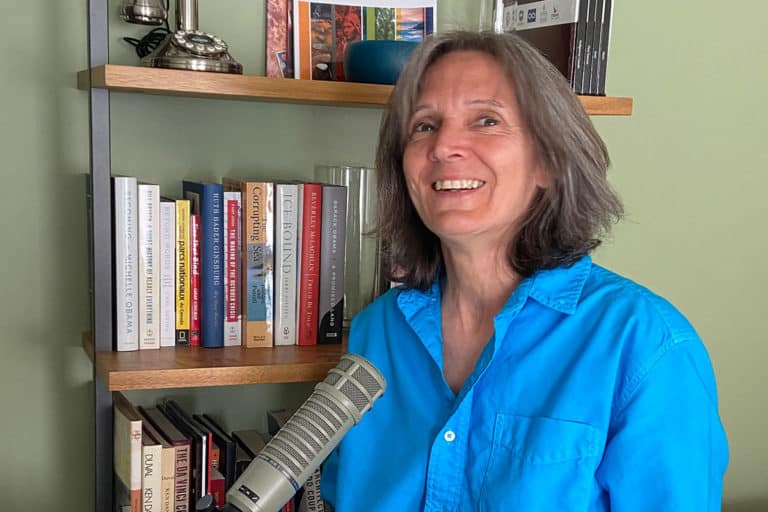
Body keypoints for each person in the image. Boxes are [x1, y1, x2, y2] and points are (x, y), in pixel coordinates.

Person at [320, 31, 729, 511]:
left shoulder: (646, 346)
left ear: (549, 162)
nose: (445, 145)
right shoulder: (377, 332)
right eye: (425, 126)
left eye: (486, 120)